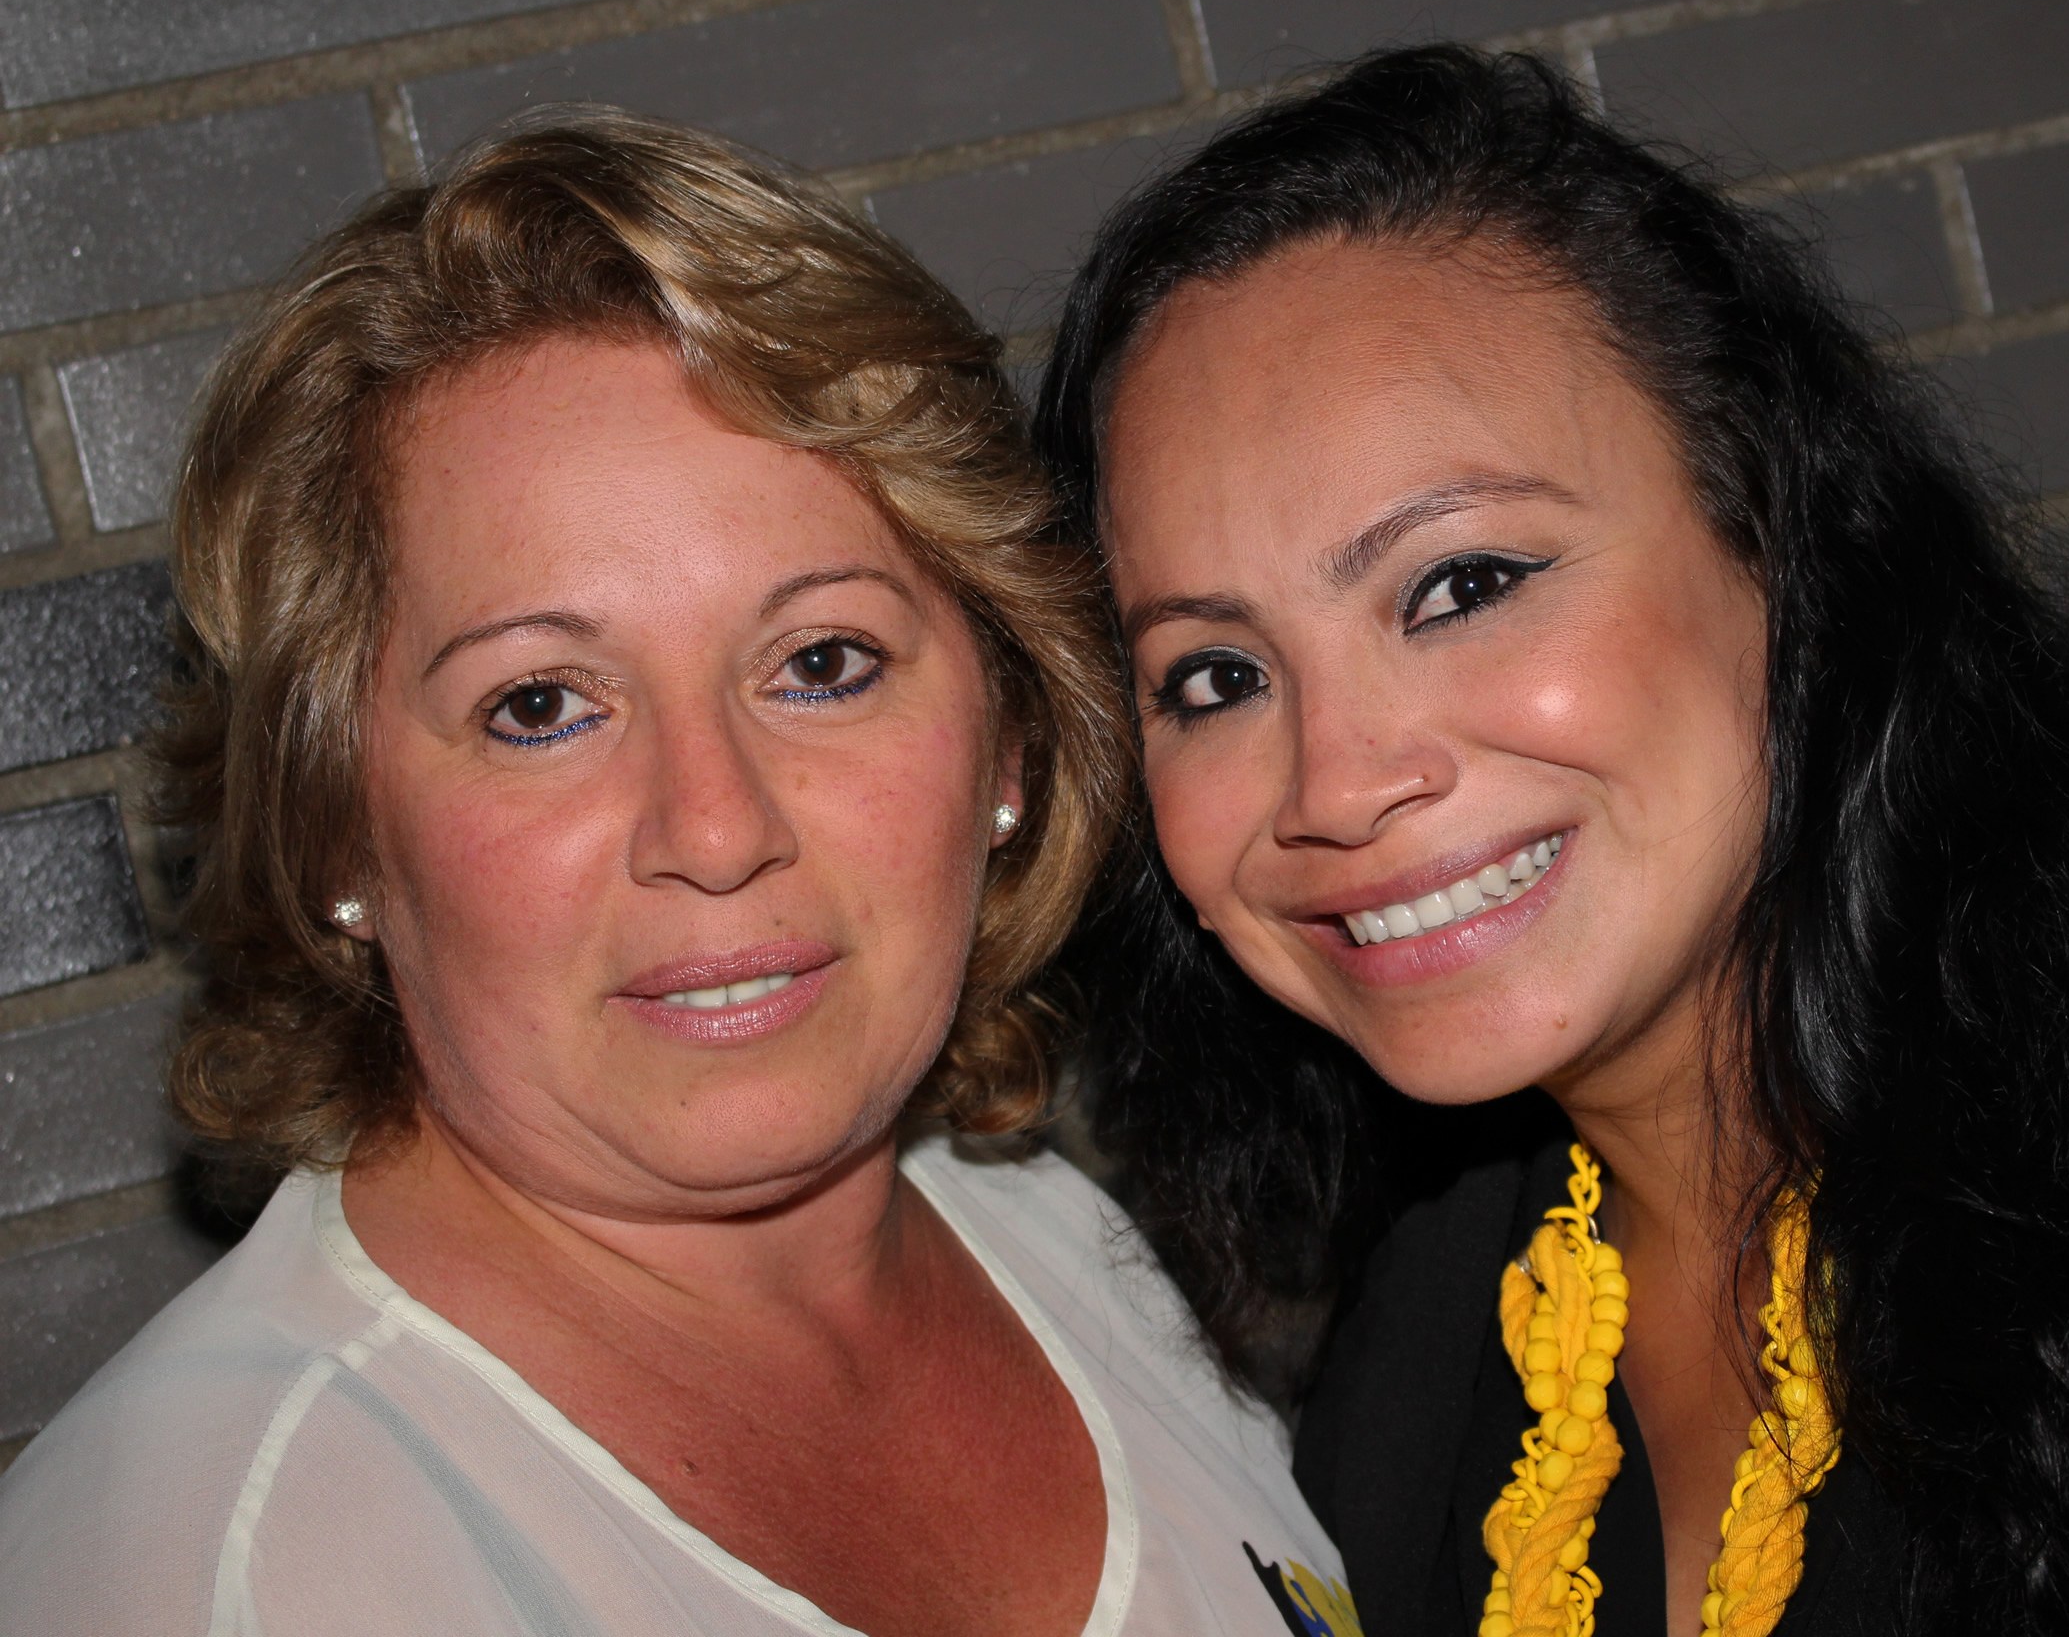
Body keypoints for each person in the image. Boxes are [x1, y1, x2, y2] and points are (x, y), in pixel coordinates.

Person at [1033, 45, 2069, 1635]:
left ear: (1776, 534)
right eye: (1214, 678)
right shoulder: (1420, 1379)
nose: (1337, 783)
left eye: (1464, 584)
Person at [0, 108, 1360, 1637]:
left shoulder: (1061, 1249)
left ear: (1011, 743)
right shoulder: (220, 1564)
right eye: (540, 706)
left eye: (822, 663)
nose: (715, 829)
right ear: (335, 832)